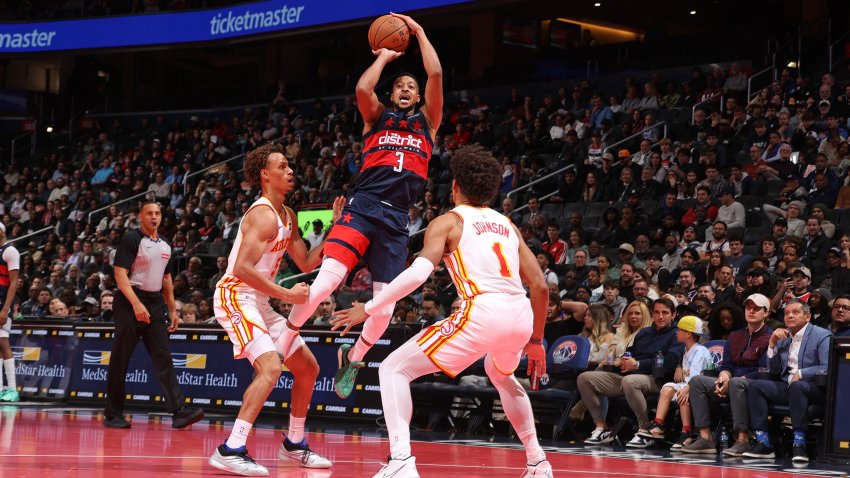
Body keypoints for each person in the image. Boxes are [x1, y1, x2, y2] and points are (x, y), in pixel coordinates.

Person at [331, 145, 553, 478]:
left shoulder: (448, 221)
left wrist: (370, 307)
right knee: (501, 375)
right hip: (520, 316)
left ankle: (401, 461)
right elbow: (541, 287)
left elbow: (419, 275)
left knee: (393, 369)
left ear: (455, 187)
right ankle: (538, 462)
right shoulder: (508, 224)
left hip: (483, 310)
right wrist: (536, 341)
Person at [278, 12, 444, 400]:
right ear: (392, 95)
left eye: (411, 86)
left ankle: (354, 357)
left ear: (419, 98)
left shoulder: (428, 124)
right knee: (325, 284)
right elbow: (362, 89)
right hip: (363, 207)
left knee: (383, 309)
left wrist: (418, 32)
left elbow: (435, 74)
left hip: (396, 219)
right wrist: (386, 56)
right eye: (400, 85)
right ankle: (284, 338)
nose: (406, 88)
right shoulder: (377, 118)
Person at [208, 144, 343, 476]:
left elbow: (307, 261)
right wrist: (288, 294)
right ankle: (231, 448)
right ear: (265, 175)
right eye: (282, 167)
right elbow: (240, 267)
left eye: (290, 166)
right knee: (270, 366)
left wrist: (333, 228)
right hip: (235, 295)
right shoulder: (263, 214)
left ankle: (294, 444)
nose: (291, 171)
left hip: (261, 301)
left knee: (308, 369)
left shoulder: (288, 215)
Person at [103, 201, 204, 429]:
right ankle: (113, 414)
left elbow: (167, 279)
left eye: (157, 213)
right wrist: (137, 304)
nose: (154, 217)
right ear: (141, 216)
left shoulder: (166, 245)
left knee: (163, 357)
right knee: (121, 359)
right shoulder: (131, 239)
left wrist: (171, 309)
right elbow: (120, 275)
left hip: (155, 302)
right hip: (130, 301)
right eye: (149, 213)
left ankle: (179, 413)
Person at [743, 299, 832, 462]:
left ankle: (799, 444)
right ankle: (763, 442)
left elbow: (827, 366)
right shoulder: (783, 337)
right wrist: (772, 344)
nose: (790, 315)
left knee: (798, 386)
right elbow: (775, 370)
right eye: (786, 313)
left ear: (807, 316)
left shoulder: (822, 335)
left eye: (795, 312)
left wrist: (801, 373)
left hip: (815, 389)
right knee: (756, 386)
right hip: (789, 386)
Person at [639, 315, 709, 449]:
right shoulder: (686, 349)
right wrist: (678, 367)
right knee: (667, 388)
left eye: (680, 330)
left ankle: (687, 431)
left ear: (688, 334)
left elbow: (696, 377)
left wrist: (686, 389)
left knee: (682, 396)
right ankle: (658, 425)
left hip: (699, 386)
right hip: (688, 383)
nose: (677, 332)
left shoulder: (700, 351)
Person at [0, 223, 20, 402]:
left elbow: (14, 282)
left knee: (3, 342)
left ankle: (12, 390)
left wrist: (5, 308)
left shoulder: (10, 251)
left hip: (2, 304)